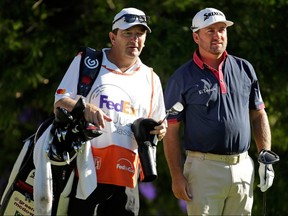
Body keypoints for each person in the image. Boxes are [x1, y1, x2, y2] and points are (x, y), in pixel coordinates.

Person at [53, 7, 167, 216]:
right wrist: (84, 107)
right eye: (127, 34)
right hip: (86, 176)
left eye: (139, 34)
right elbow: (60, 103)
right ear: (113, 37)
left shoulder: (152, 79)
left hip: (127, 181)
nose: (135, 39)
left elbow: (159, 127)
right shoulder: (88, 62)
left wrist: (159, 130)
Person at [163, 7, 276, 215]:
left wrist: (264, 155)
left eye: (222, 29)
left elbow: (259, 114)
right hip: (202, 169)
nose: (218, 35)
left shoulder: (245, 68)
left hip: (242, 166)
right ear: (196, 36)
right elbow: (171, 130)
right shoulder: (182, 77)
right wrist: (177, 176)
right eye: (210, 30)